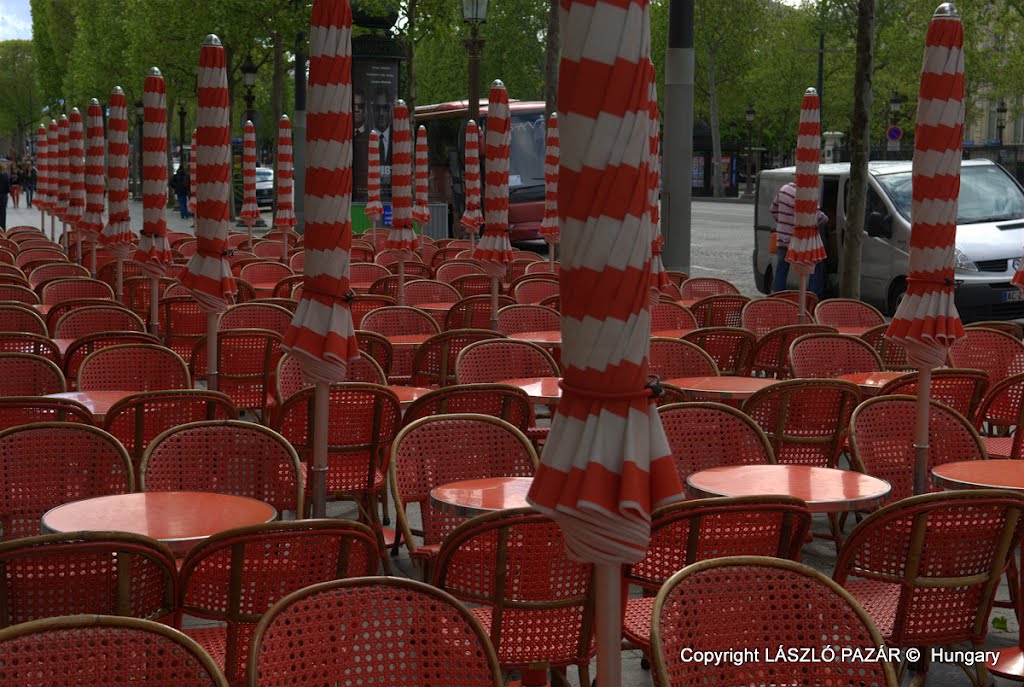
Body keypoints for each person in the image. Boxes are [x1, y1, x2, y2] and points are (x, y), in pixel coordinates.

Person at [770, 181, 829, 298]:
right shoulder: (807, 194)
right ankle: (813, 296)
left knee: (781, 269)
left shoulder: (784, 189)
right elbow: (816, 216)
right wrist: (826, 219)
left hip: (782, 238)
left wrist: (783, 223)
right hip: (798, 240)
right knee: (816, 264)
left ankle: (777, 296)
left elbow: (773, 209)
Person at [0, 164, 10, 230]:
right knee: (2, 215)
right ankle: (2, 229)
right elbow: (8, 187)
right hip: (3, 197)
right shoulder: (5, 176)